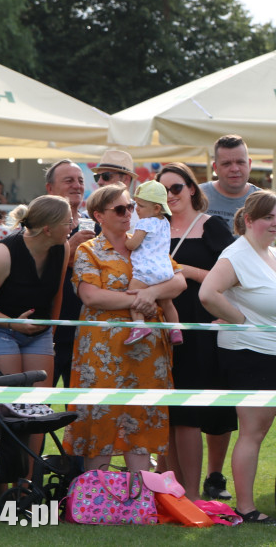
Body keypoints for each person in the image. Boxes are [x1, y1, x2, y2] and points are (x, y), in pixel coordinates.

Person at [199, 189, 276, 524]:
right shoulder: (235, 255)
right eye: (268, 217)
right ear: (249, 220)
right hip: (253, 355)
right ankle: (246, 507)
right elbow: (208, 293)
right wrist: (241, 321)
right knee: (254, 430)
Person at [63, 183, 185, 473]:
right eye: (120, 208)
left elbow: (178, 280)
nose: (129, 213)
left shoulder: (145, 239)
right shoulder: (88, 250)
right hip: (104, 351)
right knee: (100, 420)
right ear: (99, 215)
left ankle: (138, 500)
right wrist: (140, 298)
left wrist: (151, 295)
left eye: (131, 206)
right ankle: (97, 498)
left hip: (147, 351)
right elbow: (91, 296)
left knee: (141, 419)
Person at [155, 163, 236, 502]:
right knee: (168, 414)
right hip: (160, 327)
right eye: (163, 191)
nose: (171, 196)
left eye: (176, 188)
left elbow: (234, 276)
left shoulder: (211, 226)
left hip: (200, 329)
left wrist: (184, 270)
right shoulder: (152, 228)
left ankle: (190, 492)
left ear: (191, 188)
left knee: (190, 413)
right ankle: (169, 491)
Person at [0, 195, 71, 458]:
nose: (73, 225)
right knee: (10, 407)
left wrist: (51, 332)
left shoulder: (63, 247)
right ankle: (4, 481)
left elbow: (56, 294)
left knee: (37, 407)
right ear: (48, 229)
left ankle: (28, 479)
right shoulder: (5, 252)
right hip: (0, 329)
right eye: (68, 222)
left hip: (39, 333)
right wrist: (13, 324)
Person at [200, 135, 276, 263]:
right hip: (201, 280)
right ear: (215, 168)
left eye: (240, 162)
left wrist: (273, 269)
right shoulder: (196, 195)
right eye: (226, 164)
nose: (235, 169)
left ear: (249, 164)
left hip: (247, 282)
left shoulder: (264, 201)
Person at [43, 159, 96, 389]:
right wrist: (69, 249)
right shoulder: (36, 226)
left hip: (86, 331)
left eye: (81, 180)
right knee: (38, 406)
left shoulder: (94, 225)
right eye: (69, 180)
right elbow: (29, 272)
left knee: (82, 410)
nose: (77, 185)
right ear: (50, 189)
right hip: (47, 331)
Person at [122, 181, 182, 346]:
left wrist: (126, 240)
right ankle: (175, 329)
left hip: (146, 270)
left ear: (156, 208)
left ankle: (139, 325)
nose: (137, 209)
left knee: (134, 294)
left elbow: (133, 244)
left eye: (140, 206)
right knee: (167, 302)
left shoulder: (145, 223)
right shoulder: (165, 223)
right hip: (164, 270)